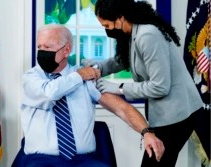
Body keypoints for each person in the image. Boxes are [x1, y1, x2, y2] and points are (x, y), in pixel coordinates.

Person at [13, 24, 165, 167]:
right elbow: (51, 93)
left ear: (66, 50)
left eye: (47, 47)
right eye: (39, 47)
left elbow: (121, 109)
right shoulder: (31, 78)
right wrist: (79, 76)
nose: (42, 52)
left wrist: (146, 132)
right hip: (41, 160)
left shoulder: (86, 79)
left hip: (82, 160)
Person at [82, 0, 205, 166]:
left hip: (178, 114)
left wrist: (118, 88)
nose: (106, 30)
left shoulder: (148, 35)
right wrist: (98, 68)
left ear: (120, 18)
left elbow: (160, 86)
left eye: (107, 25)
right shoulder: (133, 33)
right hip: (167, 115)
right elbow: (123, 60)